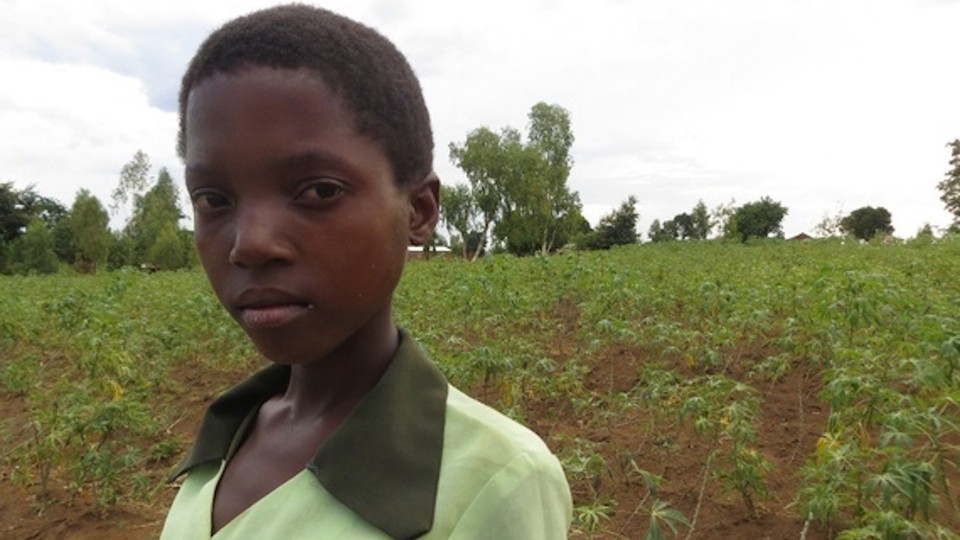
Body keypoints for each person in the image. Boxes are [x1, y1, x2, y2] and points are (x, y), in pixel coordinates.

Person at [160, 4, 572, 539]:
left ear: (418, 211)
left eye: (319, 191)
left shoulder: (494, 479)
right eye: (213, 199)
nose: (251, 244)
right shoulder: (229, 435)